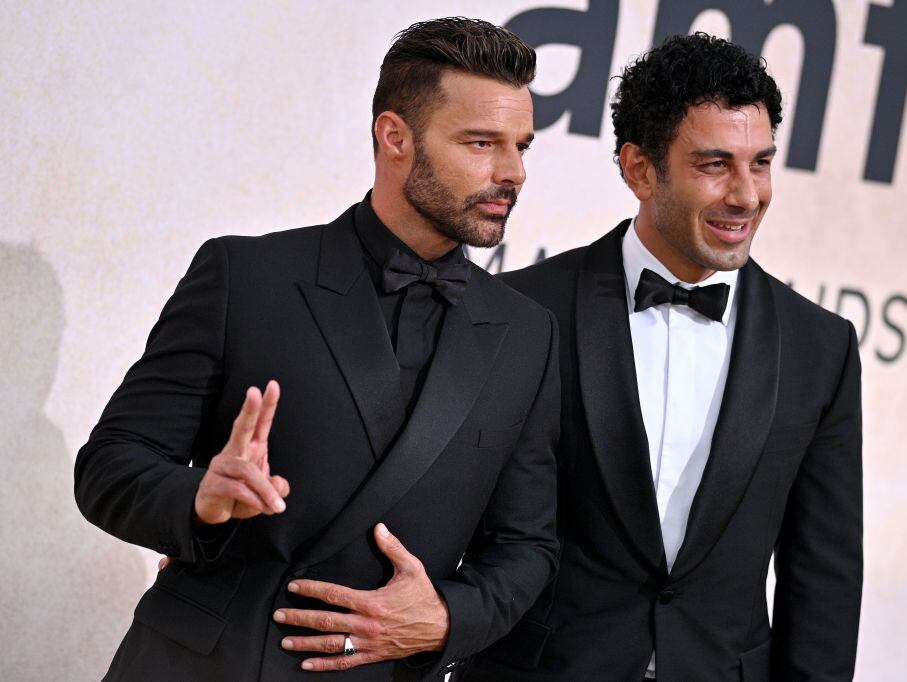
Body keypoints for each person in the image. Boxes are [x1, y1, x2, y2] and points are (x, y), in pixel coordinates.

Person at [74, 17, 559, 681]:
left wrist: (446, 617)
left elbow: (526, 544)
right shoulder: (245, 277)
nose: (513, 172)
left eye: (521, 146)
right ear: (394, 137)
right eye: (481, 143)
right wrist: (200, 499)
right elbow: (109, 466)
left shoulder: (526, 333)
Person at [459, 32, 863, 681]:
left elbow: (826, 576)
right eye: (714, 165)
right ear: (640, 169)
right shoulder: (525, 311)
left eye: (760, 163)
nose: (747, 195)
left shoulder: (822, 347)